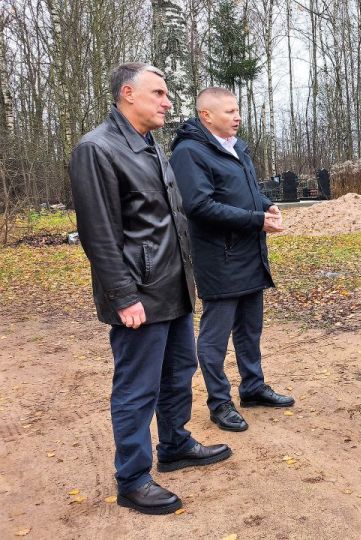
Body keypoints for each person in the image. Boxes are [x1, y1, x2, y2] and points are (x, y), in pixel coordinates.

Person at [69, 63, 231, 515]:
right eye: (158, 93)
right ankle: (133, 477)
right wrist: (123, 296)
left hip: (174, 286)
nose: (167, 101)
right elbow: (99, 233)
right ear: (127, 94)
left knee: (179, 371)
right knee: (137, 387)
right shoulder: (97, 149)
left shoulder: (149, 145)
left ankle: (175, 443)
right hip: (138, 293)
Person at [170, 87, 294, 433]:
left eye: (237, 110)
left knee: (250, 330)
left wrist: (265, 203)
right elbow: (198, 206)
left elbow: (245, 189)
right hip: (220, 259)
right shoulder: (190, 152)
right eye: (228, 112)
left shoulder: (237, 147)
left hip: (250, 255)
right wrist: (256, 220)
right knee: (214, 337)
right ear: (206, 116)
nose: (237, 117)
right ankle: (219, 401)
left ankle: (252, 388)